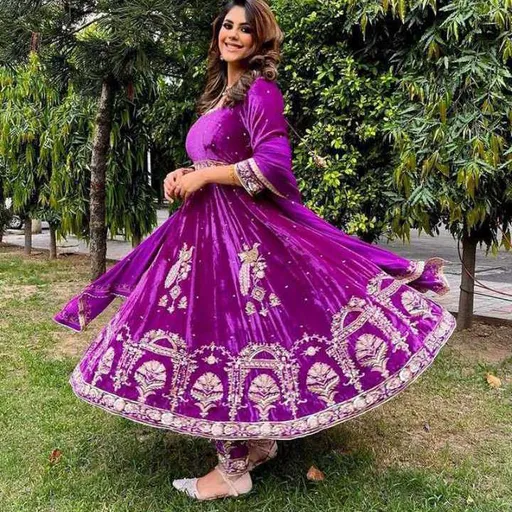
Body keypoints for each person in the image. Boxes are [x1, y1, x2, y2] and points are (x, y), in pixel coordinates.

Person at [54, 0, 456, 501]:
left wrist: (206, 177)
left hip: (240, 237)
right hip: (207, 233)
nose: (233, 34)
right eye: (227, 25)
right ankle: (257, 443)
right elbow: (220, 159)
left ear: (259, 40)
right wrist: (186, 174)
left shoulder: (261, 90)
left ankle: (232, 471)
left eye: (245, 29)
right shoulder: (220, 95)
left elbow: (273, 165)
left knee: (227, 334)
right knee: (215, 334)